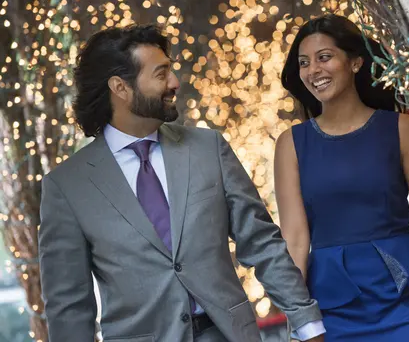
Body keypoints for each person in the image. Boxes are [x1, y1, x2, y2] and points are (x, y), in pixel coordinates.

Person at [38, 24, 325, 342]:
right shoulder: (67, 186)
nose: (174, 83)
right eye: (161, 74)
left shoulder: (208, 148)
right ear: (120, 87)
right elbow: (69, 308)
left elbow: (261, 243)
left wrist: (308, 324)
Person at [274, 14, 409, 342]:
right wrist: (296, 323)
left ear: (355, 62)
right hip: (333, 311)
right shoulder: (291, 144)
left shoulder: (403, 129)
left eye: (324, 57)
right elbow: (295, 240)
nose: (313, 70)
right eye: (304, 62)